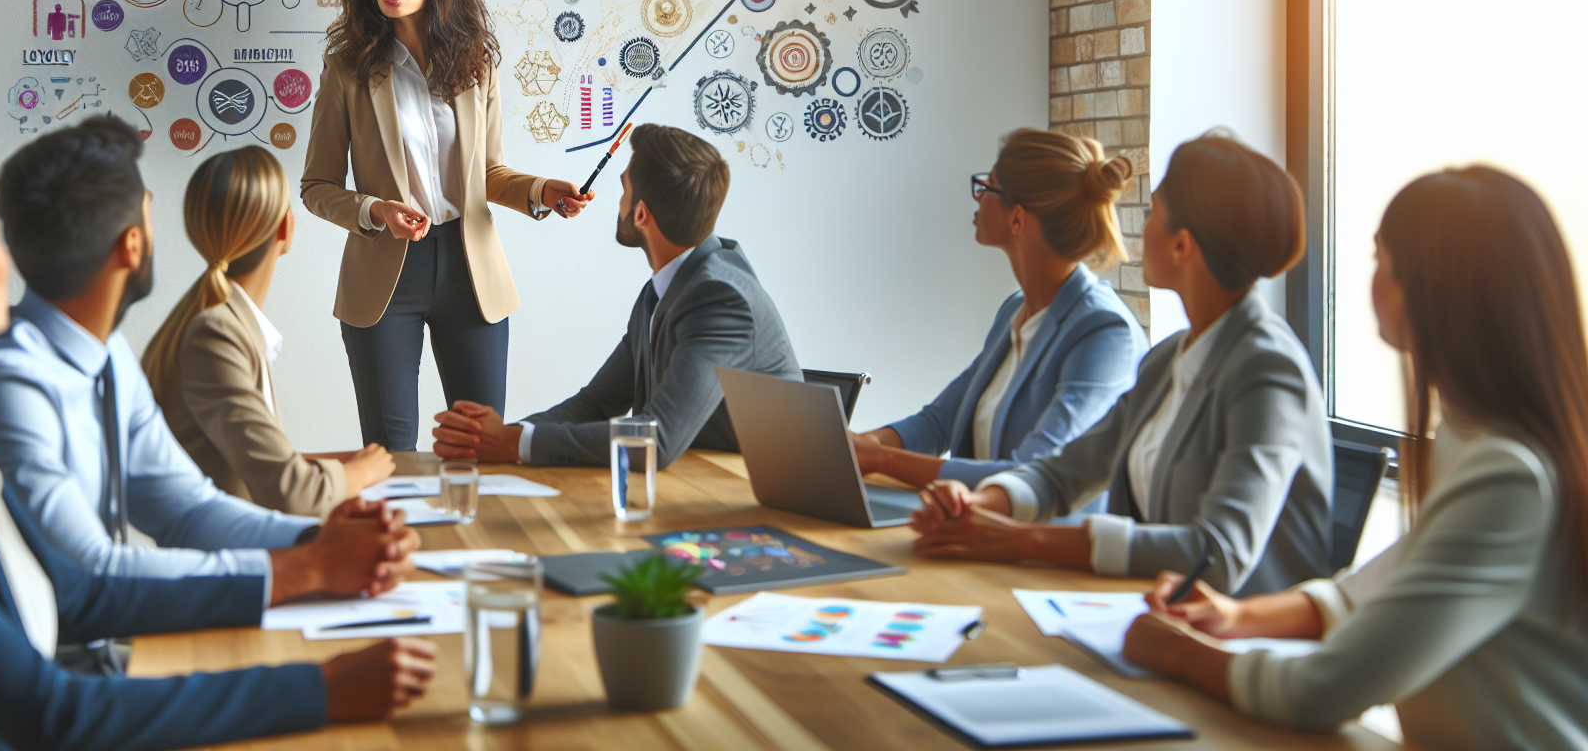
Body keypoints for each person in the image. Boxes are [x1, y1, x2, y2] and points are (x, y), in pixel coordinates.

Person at [0, 154, 436, 751]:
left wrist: (312, 563)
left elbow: (75, 594)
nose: (10, 258)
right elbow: (43, 709)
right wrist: (319, 688)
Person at [1123, 167, 1588, 749]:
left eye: (1378, 259)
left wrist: (1171, 650)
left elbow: (1324, 688)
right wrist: (1236, 618)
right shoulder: (1472, 438)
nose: (1369, 278)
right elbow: (1369, 591)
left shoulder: (1511, 476)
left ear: (1431, 285)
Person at [0, 117, 417, 612]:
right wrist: (306, 567)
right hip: (70, 661)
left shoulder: (109, 354)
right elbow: (89, 569)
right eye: (149, 215)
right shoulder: (9, 382)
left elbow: (186, 508)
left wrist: (320, 537)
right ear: (132, 245)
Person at [912, 132, 1332, 597]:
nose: (1140, 228)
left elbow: (1218, 552)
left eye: (1154, 213)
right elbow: (1060, 474)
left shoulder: (1268, 369)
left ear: (1182, 246)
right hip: (1152, 618)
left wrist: (1021, 539)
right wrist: (978, 504)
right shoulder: (1168, 360)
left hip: (1240, 644)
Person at [302, 0, 593, 452]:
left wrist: (541, 190)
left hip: (471, 271)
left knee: (481, 445)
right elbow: (316, 185)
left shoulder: (475, 63)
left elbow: (490, 175)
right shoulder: (346, 69)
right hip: (385, 277)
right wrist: (375, 210)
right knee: (391, 449)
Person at [429, 123, 800, 467]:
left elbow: (659, 440)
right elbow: (598, 403)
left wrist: (513, 444)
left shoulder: (720, 300)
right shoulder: (668, 289)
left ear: (640, 215)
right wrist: (503, 437)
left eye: (623, 190)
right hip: (700, 484)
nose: (618, 202)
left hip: (752, 499)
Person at [851, 129, 1148, 491]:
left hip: (1040, 542)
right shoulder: (1015, 311)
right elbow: (938, 423)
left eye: (987, 188)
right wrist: (850, 448)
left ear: (1017, 218)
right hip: (974, 529)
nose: (977, 199)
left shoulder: (1104, 331)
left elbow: (1034, 473)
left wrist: (879, 459)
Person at [142, 147, 393, 517]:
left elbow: (260, 466)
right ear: (284, 227)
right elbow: (293, 495)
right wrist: (365, 470)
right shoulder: (215, 336)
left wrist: (351, 464)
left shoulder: (218, 321)